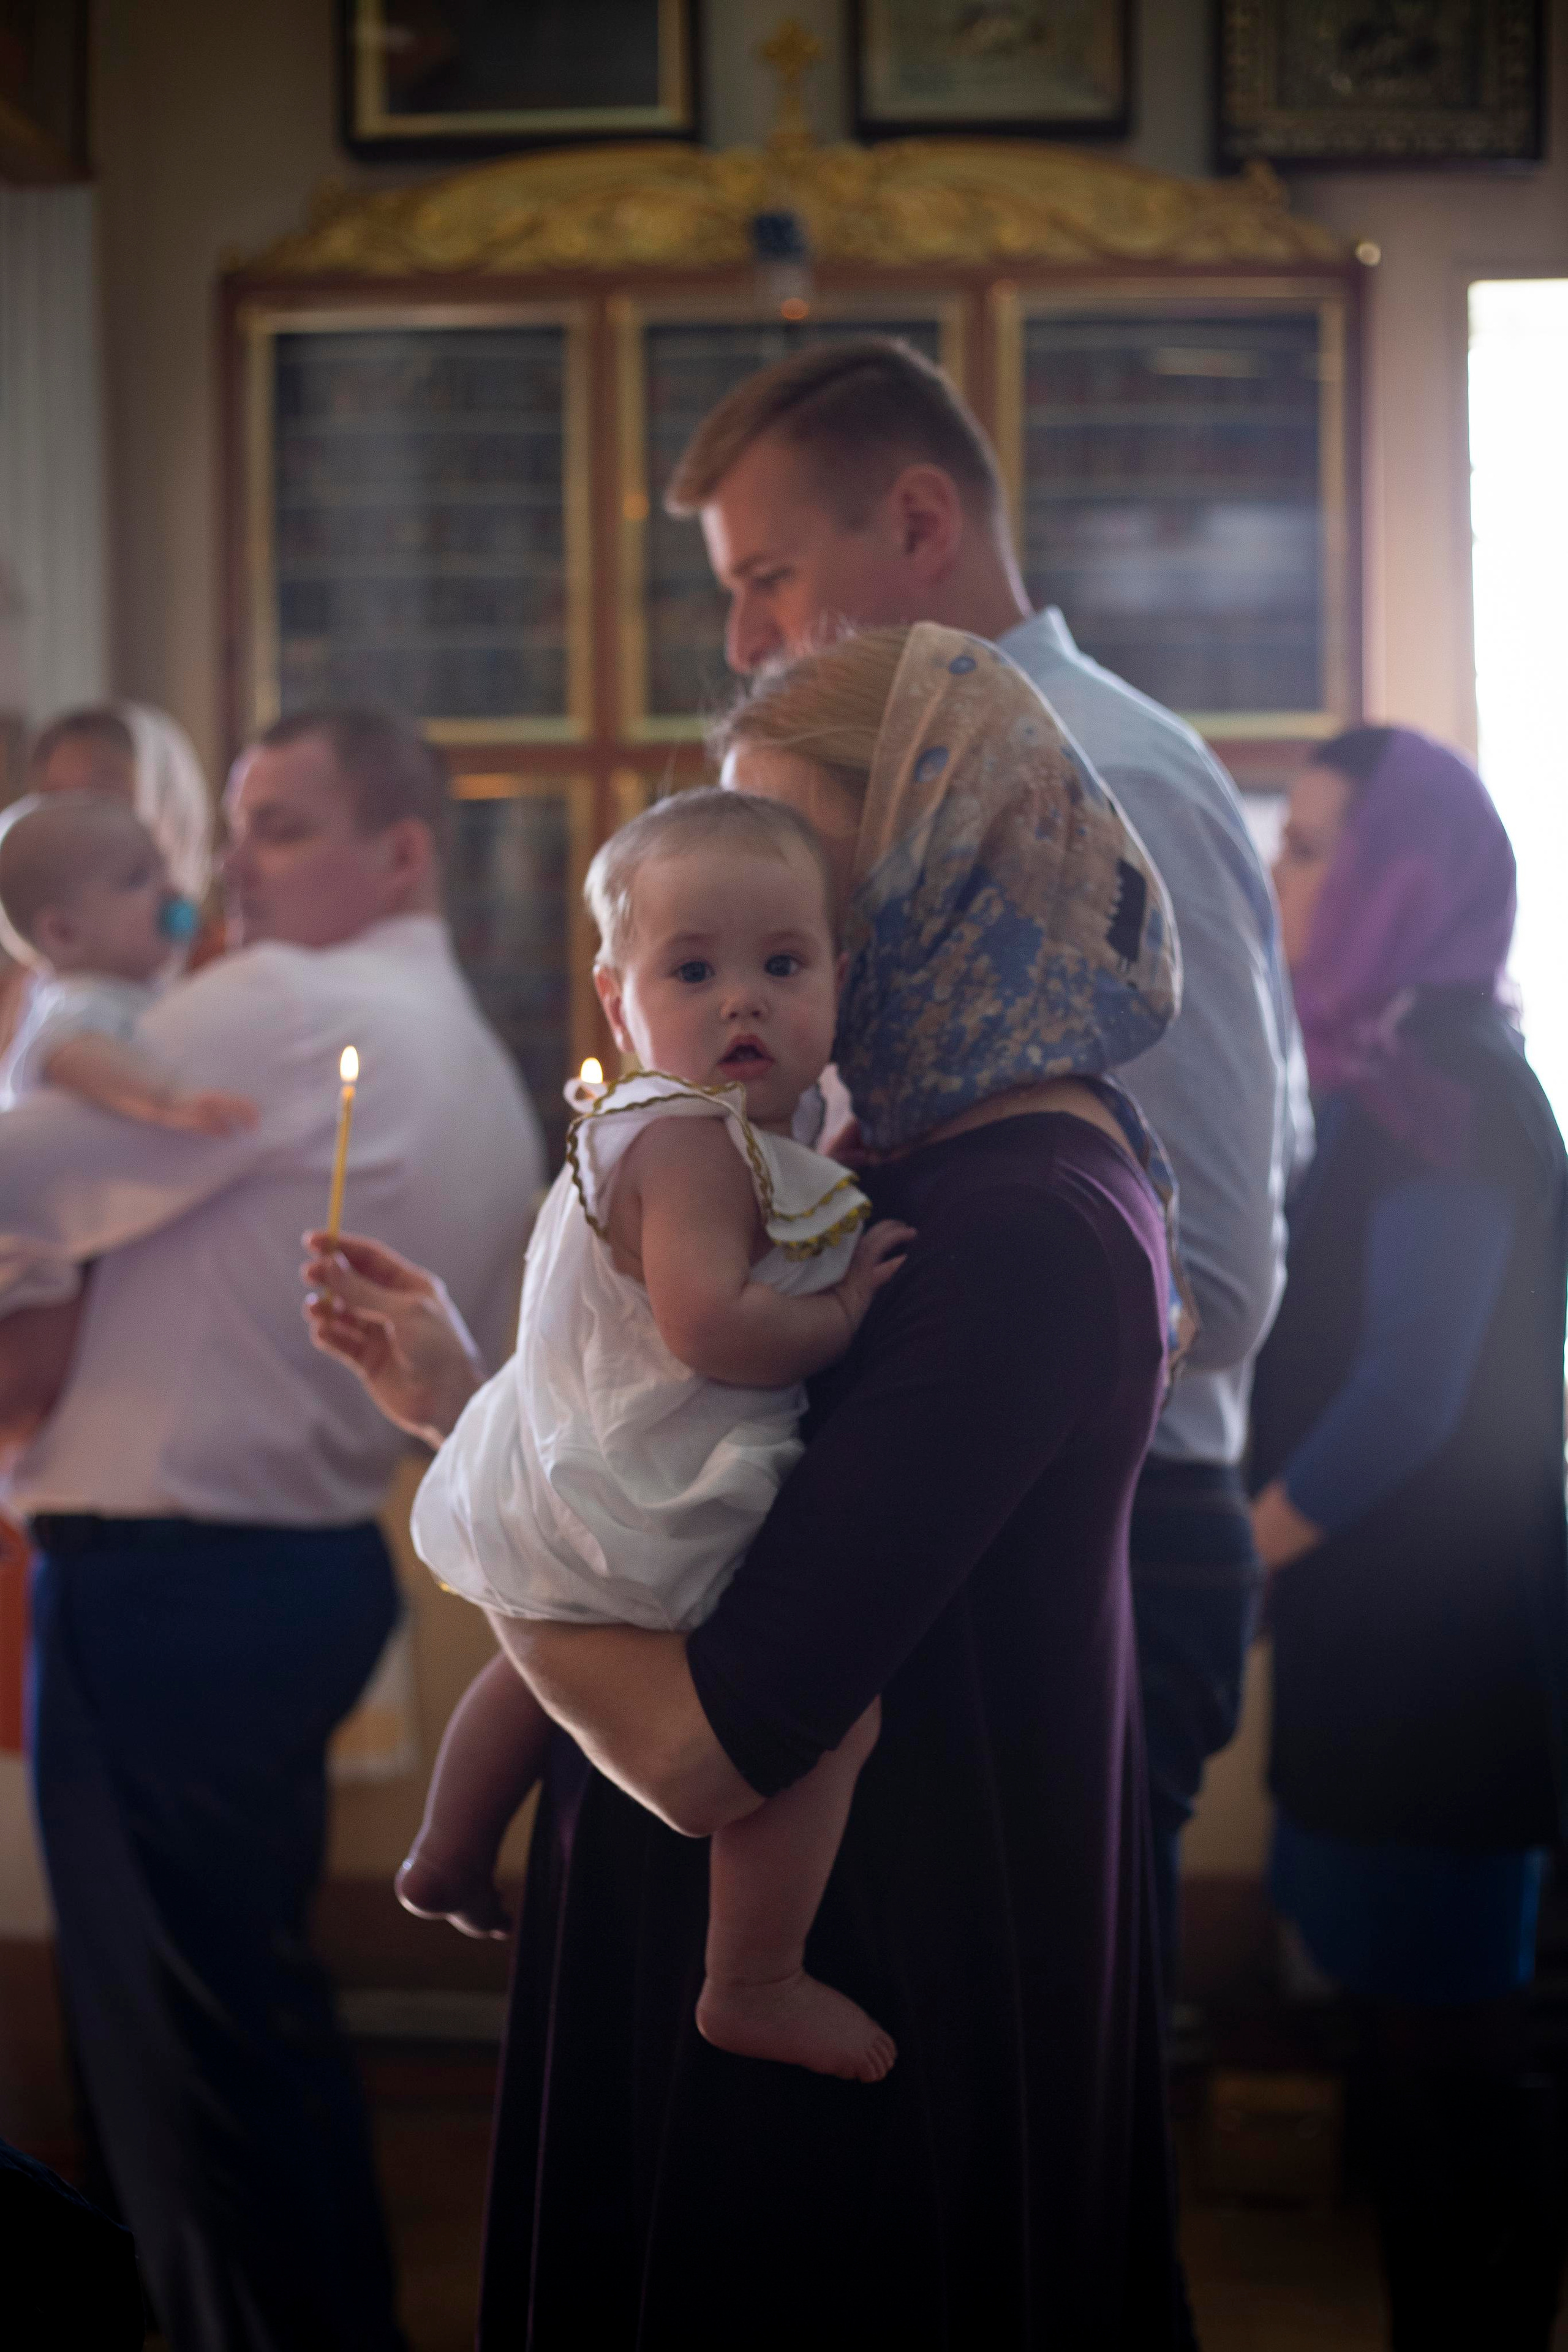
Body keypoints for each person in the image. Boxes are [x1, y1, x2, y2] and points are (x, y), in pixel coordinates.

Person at [306, 623, 1190, 2347]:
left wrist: (496, 1524)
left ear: (933, 870)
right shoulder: (887, 1157)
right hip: (810, 1954)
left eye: (809, 901)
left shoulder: (1014, 1226)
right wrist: (478, 1417)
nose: (766, 976)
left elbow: (716, 1742)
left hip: (861, 2021)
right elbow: (723, 1521)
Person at [664, 334, 1298, 1990]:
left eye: (773, 577)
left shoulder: (1104, 776)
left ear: (922, 522)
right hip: (990, 1500)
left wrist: (891, 1371)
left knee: (1011, 2050)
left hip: (1093, 1527)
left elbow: (1212, 1271)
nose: (744, 635)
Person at [0, 707, 544, 2352]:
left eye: (283, 826)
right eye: (236, 827)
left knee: (191, 2079)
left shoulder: (287, 1003)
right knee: (237, 2039)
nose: (236, 862)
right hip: (291, 1566)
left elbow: (13, 1186)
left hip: (173, 1585)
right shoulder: (465, 1047)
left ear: (402, 852)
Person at [383, 786, 912, 2080]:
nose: (743, 1002)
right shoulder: (689, 1140)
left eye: (780, 965)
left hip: (577, 1461)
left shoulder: (712, 1132)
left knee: (544, 1661)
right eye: (693, 969)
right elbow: (709, 1330)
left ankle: (447, 1849)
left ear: (840, 977)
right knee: (829, 1723)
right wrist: (844, 1312)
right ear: (619, 1003)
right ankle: (754, 1977)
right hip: (646, 1480)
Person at [1250, 725, 1568, 2348]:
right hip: (1384, 1647)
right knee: (1412, 2060)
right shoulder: (1391, 1068)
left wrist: (1237, 1559)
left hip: (1442, 1668)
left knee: (1451, 2081)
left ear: (1405, 882)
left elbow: (1408, 1398)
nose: (1281, 874)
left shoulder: (1445, 1088)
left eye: (1312, 849)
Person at [0, 793, 252, 1128]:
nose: (172, 891)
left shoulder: (132, 987)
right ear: (64, 933)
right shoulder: (78, 998)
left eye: (164, 868)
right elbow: (72, 1051)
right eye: (137, 879)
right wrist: (165, 1099)